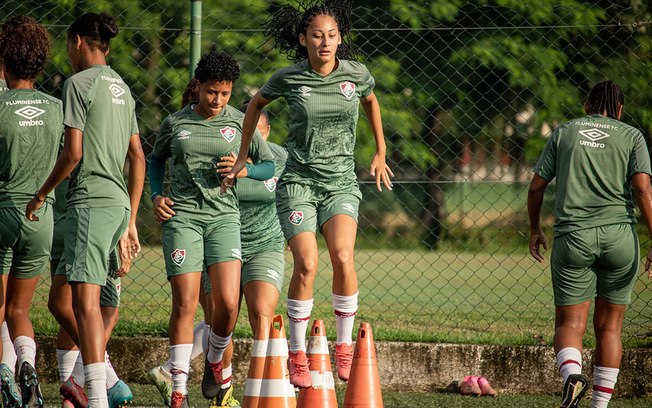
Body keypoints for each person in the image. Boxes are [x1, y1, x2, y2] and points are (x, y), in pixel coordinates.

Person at [221, 0, 393, 388]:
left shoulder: (356, 74)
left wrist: (380, 150)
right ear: (303, 39)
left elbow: (370, 101)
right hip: (298, 183)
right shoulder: (289, 78)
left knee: (344, 257)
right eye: (317, 35)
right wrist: (243, 154)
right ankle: (297, 352)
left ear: (339, 39)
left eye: (332, 35)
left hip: (340, 184)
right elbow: (255, 104)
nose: (325, 42)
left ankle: (344, 346)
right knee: (308, 264)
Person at [25, 12, 145, 408]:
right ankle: (106, 376)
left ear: (77, 41)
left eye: (67, 45)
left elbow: (73, 153)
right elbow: (138, 158)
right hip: (113, 207)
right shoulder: (123, 88)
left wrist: (42, 192)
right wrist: (130, 221)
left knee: (85, 305)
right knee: (59, 302)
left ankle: (96, 396)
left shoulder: (78, 84)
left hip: (90, 203)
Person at [148, 50, 275, 408]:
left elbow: (267, 165)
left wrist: (244, 169)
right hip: (184, 218)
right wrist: (157, 196)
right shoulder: (175, 123)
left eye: (224, 93)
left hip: (224, 219)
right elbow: (155, 162)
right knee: (186, 303)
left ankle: (215, 359)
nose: (217, 100)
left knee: (229, 306)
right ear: (199, 87)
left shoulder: (240, 122)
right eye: (211, 92)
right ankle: (178, 390)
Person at [528, 80, 652, 408]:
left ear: (587, 105)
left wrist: (534, 229)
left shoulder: (565, 132)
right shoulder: (632, 136)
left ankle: (572, 376)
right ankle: (599, 405)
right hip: (620, 239)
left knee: (570, 324)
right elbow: (642, 191)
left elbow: (536, 187)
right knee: (610, 328)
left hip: (573, 238)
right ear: (620, 109)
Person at [0, 15, 62, 408]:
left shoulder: (1, 106)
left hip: (3, 210)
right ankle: (27, 364)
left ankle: (4, 374)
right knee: (20, 309)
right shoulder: (57, 108)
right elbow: (73, 154)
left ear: (5, 62)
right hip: (42, 216)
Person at [49, 177, 134, 408]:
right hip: (85, 213)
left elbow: (136, 159)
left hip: (88, 211)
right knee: (80, 306)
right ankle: (103, 382)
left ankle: (73, 390)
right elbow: (138, 159)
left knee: (88, 308)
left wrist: (129, 223)